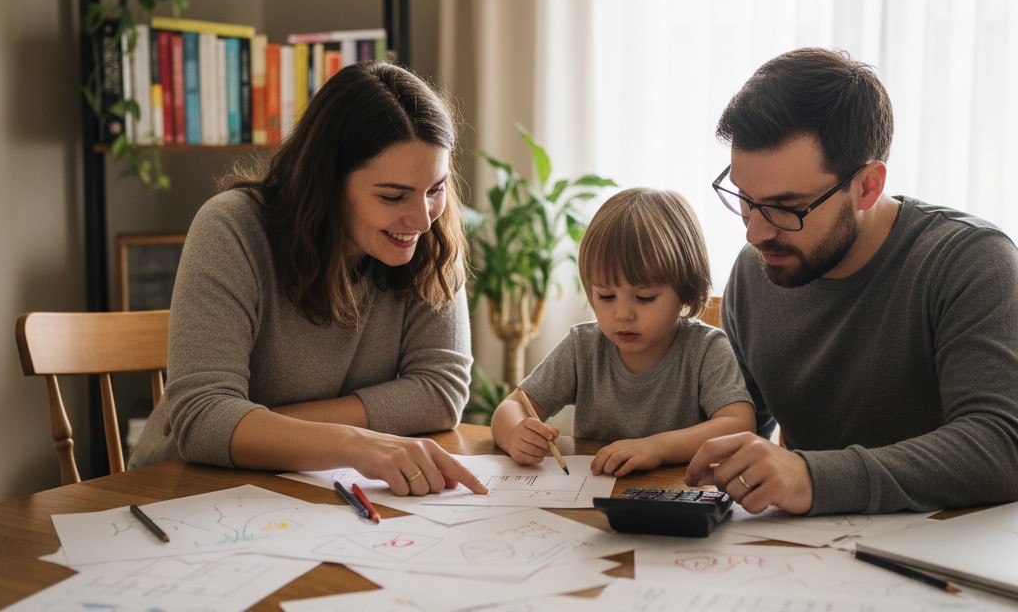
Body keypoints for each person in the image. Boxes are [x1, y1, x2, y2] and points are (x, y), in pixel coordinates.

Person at [684, 47, 1018, 515]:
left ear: (867, 187)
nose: (755, 232)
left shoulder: (969, 262)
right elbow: (738, 425)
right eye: (743, 197)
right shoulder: (756, 271)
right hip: (801, 558)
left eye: (786, 206)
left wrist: (811, 479)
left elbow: (1002, 448)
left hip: (942, 562)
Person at [130, 62, 487, 498]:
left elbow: (439, 391)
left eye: (436, 187)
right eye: (392, 196)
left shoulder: (429, 237)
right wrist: (354, 444)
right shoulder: (232, 229)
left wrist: (257, 421)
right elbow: (203, 424)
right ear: (327, 182)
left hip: (308, 491)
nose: (421, 219)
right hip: (189, 490)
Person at [491, 188, 755, 476]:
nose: (623, 314)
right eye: (606, 296)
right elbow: (510, 409)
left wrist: (657, 448)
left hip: (677, 498)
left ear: (687, 291)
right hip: (595, 496)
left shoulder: (706, 349)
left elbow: (739, 425)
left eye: (644, 298)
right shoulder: (583, 347)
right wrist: (518, 433)